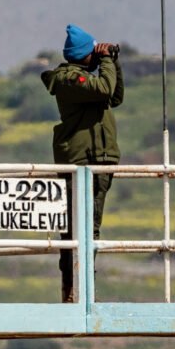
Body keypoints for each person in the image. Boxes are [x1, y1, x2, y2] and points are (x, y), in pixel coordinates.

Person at [43, 24, 123, 301]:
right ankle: (75, 290)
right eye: (95, 51)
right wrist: (105, 63)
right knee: (77, 229)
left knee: (90, 228)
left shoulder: (85, 79)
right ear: (83, 55)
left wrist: (112, 62)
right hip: (82, 160)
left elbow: (114, 96)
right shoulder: (69, 80)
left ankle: (81, 288)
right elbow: (104, 89)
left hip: (98, 158)